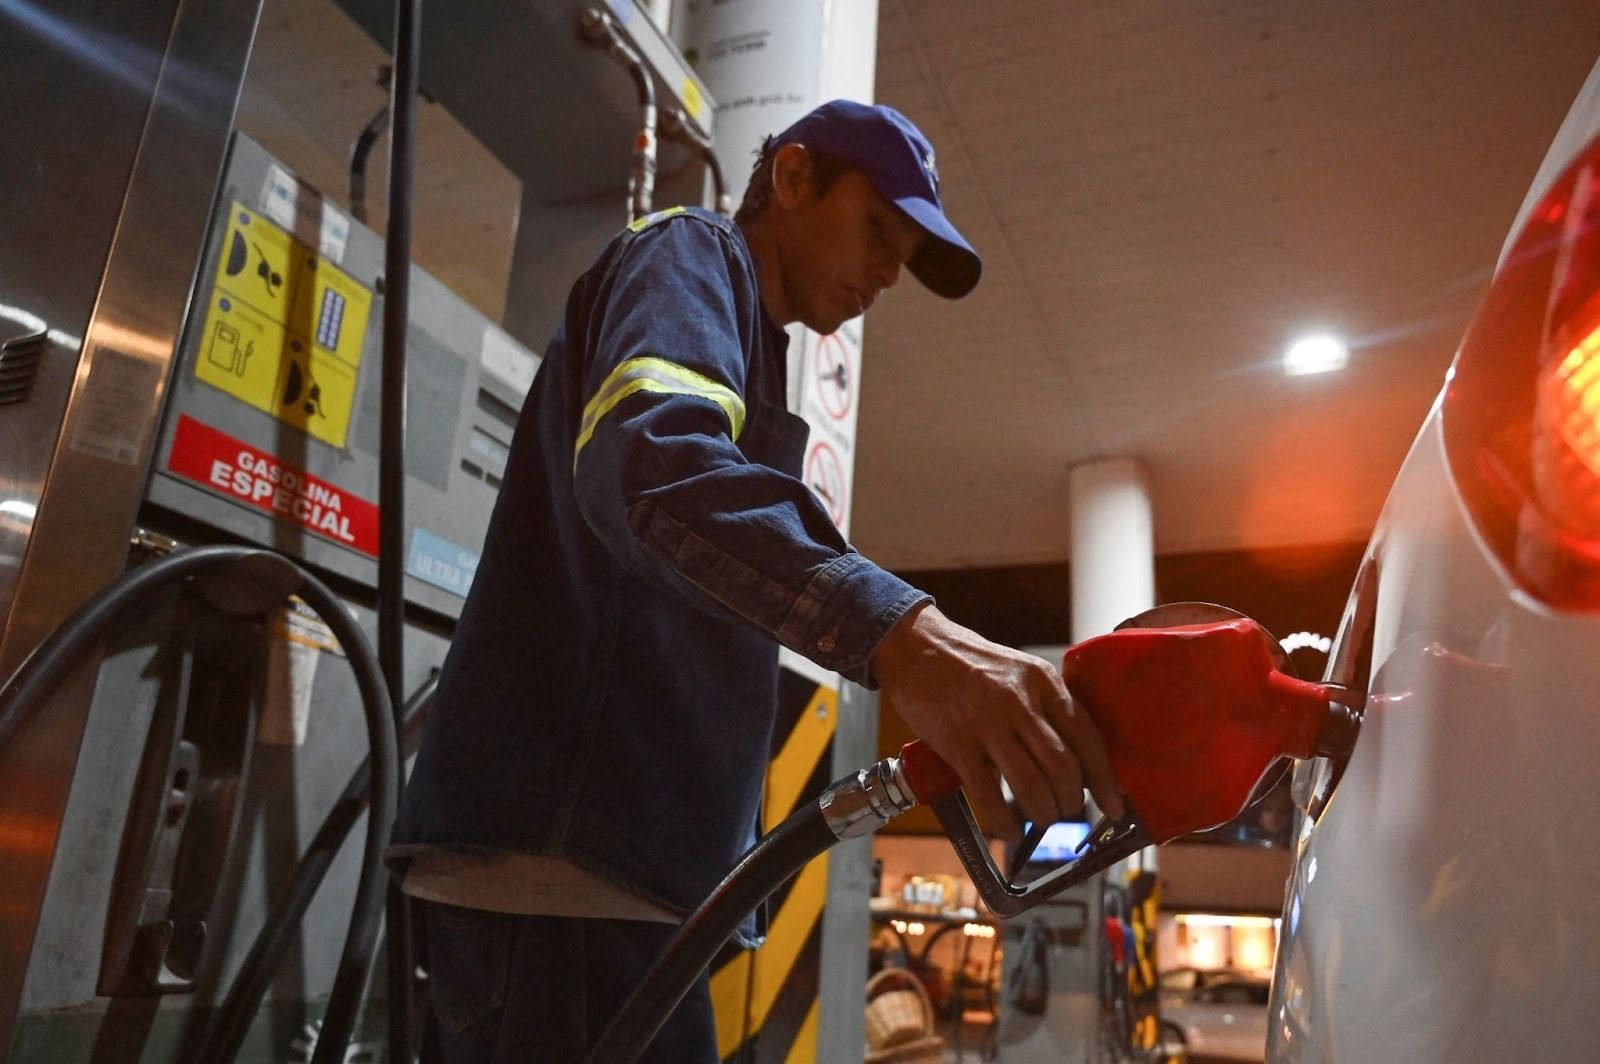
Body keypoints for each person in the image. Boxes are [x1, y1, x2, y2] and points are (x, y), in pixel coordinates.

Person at [388, 99, 1124, 1063]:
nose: (885, 273)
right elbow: (651, 463)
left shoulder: (749, 346)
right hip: (562, 886)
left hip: (604, 888)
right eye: (877, 231)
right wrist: (906, 636)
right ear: (791, 178)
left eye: (902, 258)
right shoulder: (690, 254)